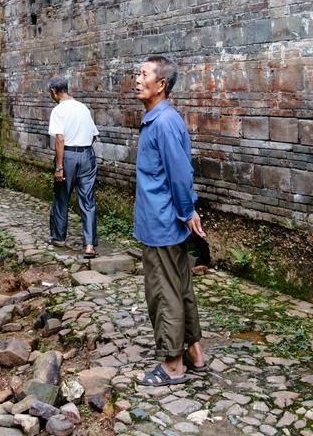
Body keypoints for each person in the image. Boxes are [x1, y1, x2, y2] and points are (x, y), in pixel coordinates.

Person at [132, 55, 208, 386]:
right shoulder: (159, 119)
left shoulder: (162, 123)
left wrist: (187, 210)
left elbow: (179, 174)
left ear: (160, 85)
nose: (137, 79)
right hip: (165, 220)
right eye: (138, 73)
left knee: (163, 292)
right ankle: (194, 352)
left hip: (161, 223)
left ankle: (173, 364)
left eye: (144, 74)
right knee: (180, 286)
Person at [47, 76, 100, 258]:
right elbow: (94, 135)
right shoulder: (82, 107)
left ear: (54, 92)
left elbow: (60, 139)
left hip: (68, 156)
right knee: (87, 201)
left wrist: (59, 166)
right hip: (87, 155)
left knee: (62, 197)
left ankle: (59, 237)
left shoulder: (58, 110)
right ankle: (89, 245)